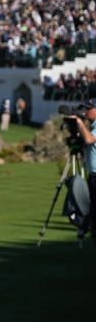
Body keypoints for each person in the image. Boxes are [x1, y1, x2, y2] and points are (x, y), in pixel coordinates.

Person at [69, 100, 96, 244]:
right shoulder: (92, 126)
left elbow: (89, 139)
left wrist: (79, 123)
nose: (86, 112)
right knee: (93, 207)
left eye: (89, 109)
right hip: (93, 174)